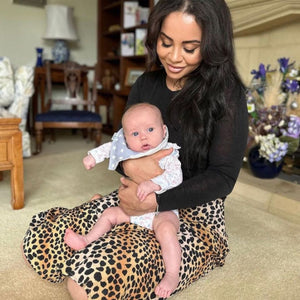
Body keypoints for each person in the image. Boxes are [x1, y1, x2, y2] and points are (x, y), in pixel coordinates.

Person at [22, 0, 248, 299]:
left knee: (87, 285)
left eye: (190, 48)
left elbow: (222, 176)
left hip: (194, 213)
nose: (175, 56)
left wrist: (157, 200)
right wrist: (132, 172)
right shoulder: (146, 84)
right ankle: (106, 225)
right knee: (42, 242)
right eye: (166, 43)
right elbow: (120, 146)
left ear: (213, 45)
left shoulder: (228, 93)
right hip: (137, 195)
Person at [64, 103, 182, 298]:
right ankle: (87, 239)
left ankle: (172, 274)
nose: (143, 137)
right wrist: (93, 157)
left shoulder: (168, 152)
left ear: (163, 130)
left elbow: (176, 176)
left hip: (160, 211)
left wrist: (154, 184)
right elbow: (110, 148)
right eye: (134, 134)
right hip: (133, 209)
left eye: (150, 130)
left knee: (168, 230)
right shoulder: (127, 148)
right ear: (125, 137)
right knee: (110, 213)